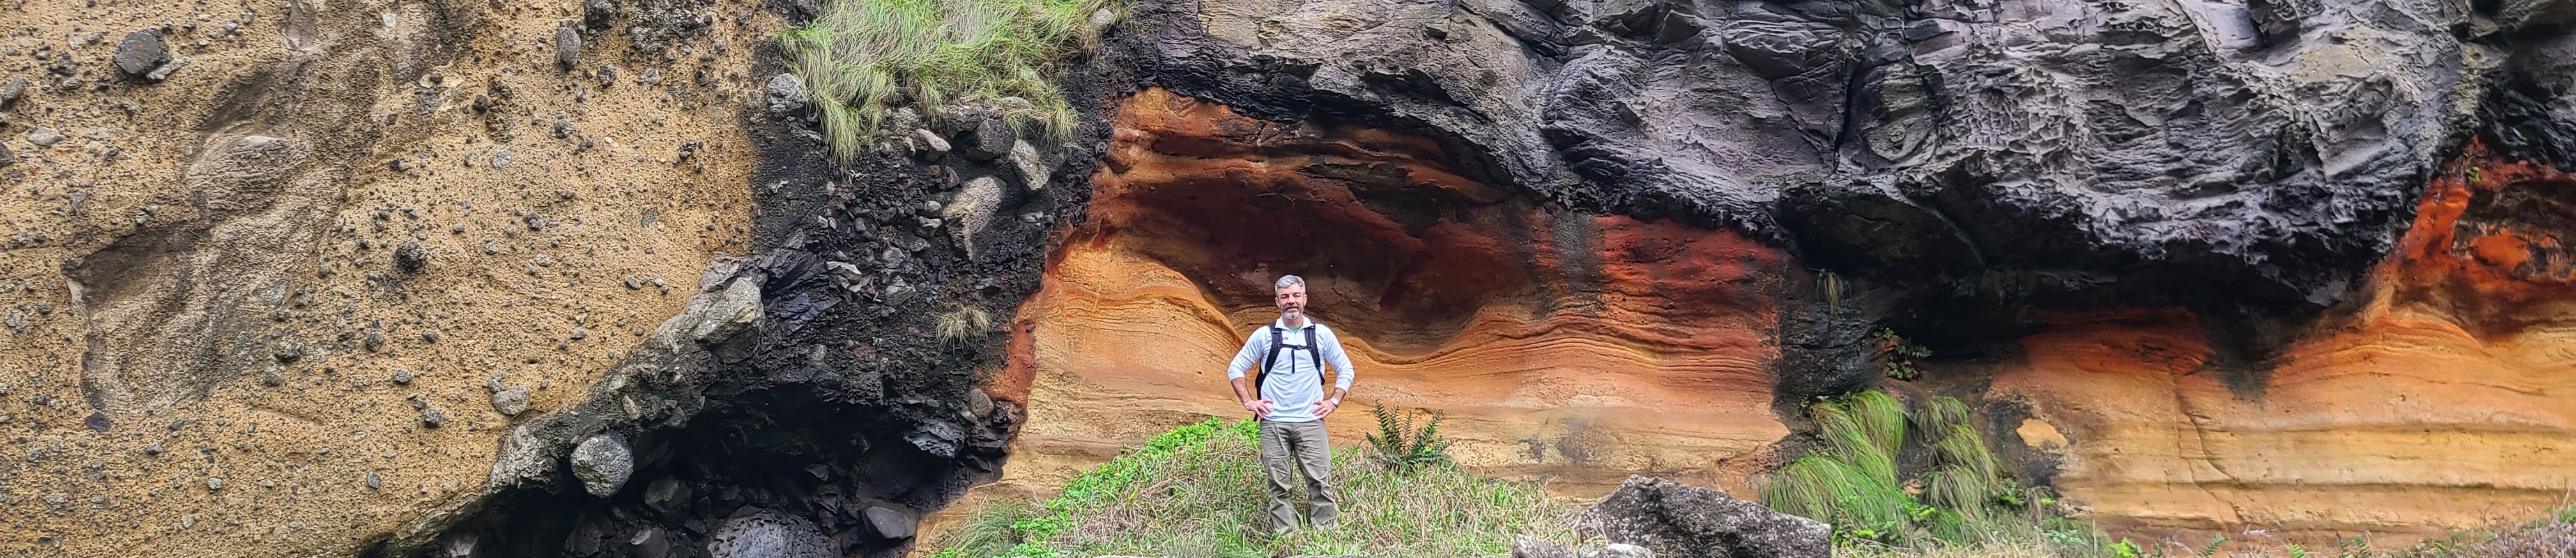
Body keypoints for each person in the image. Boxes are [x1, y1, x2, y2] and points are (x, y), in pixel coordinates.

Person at [1226, 274, 1356, 535]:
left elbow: (1346, 369)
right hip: (1274, 423)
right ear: (1277, 302)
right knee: (1279, 485)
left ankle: (1327, 537)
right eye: (1285, 297)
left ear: (1305, 299)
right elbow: (1235, 368)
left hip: (1310, 422)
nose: (1291, 301)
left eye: (1296, 295)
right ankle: (1287, 539)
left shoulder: (1320, 335)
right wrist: (1249, 402)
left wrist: (1334, 401)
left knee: (1320, 483)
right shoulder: (1265, 336)